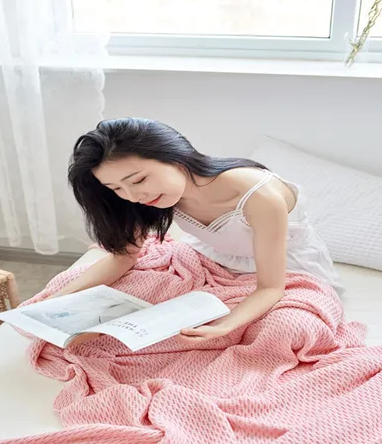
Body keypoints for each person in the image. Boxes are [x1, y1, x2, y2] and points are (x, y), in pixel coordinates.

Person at [62, 117, 343, 344]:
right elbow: (124, 257)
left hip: (284, 271)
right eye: (115, 188)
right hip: (209, 260)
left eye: (138, 180)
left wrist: (225, 326)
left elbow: (270, 287)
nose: (132, 196)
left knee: (287, 329)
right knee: (105, 299)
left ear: (175, 158)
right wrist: (57, 299)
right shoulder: (151, 198)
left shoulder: (259, 196)